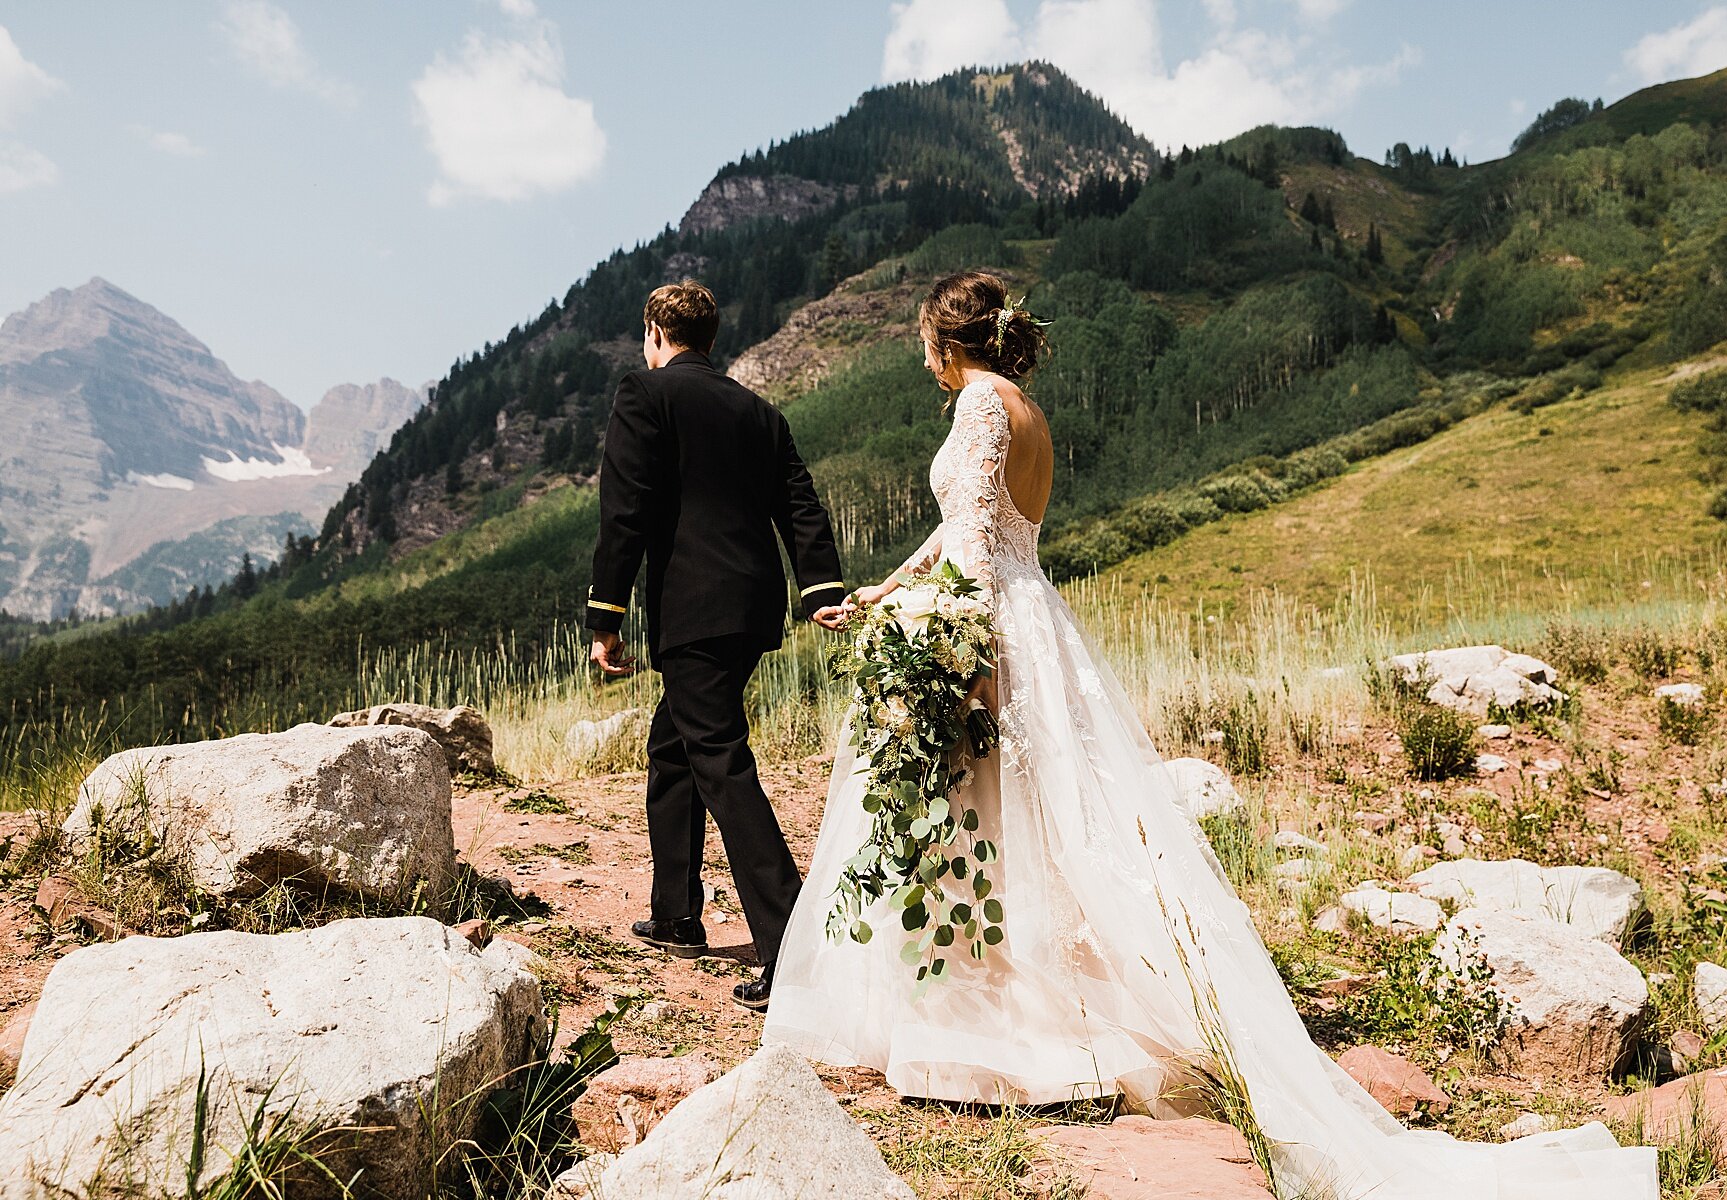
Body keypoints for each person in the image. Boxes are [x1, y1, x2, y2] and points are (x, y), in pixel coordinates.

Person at [764, 271, 1656, 1198]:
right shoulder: (1025, 411)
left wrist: (961, 662)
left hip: (991, 633)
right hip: (1028, 620)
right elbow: (969, 529)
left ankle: (987, 1029)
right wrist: (884, 589)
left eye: (923, 340)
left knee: (978, 826)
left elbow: (977, 555)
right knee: (1038, 828)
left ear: (947, 343)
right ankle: (1018, 1006)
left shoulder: (979, 408)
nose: (922, 357)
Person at [586, 280, 848, 1012]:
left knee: (720, 763)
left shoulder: (646, 394)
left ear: (655, 335)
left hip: (694, 608)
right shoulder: (758, 410)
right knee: (676, 746)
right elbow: (799, 501)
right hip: (752, 606)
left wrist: (605, 614)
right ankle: (676, 914)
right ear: (710, 337)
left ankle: (791, 947)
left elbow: (624, 509)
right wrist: (820, 588)